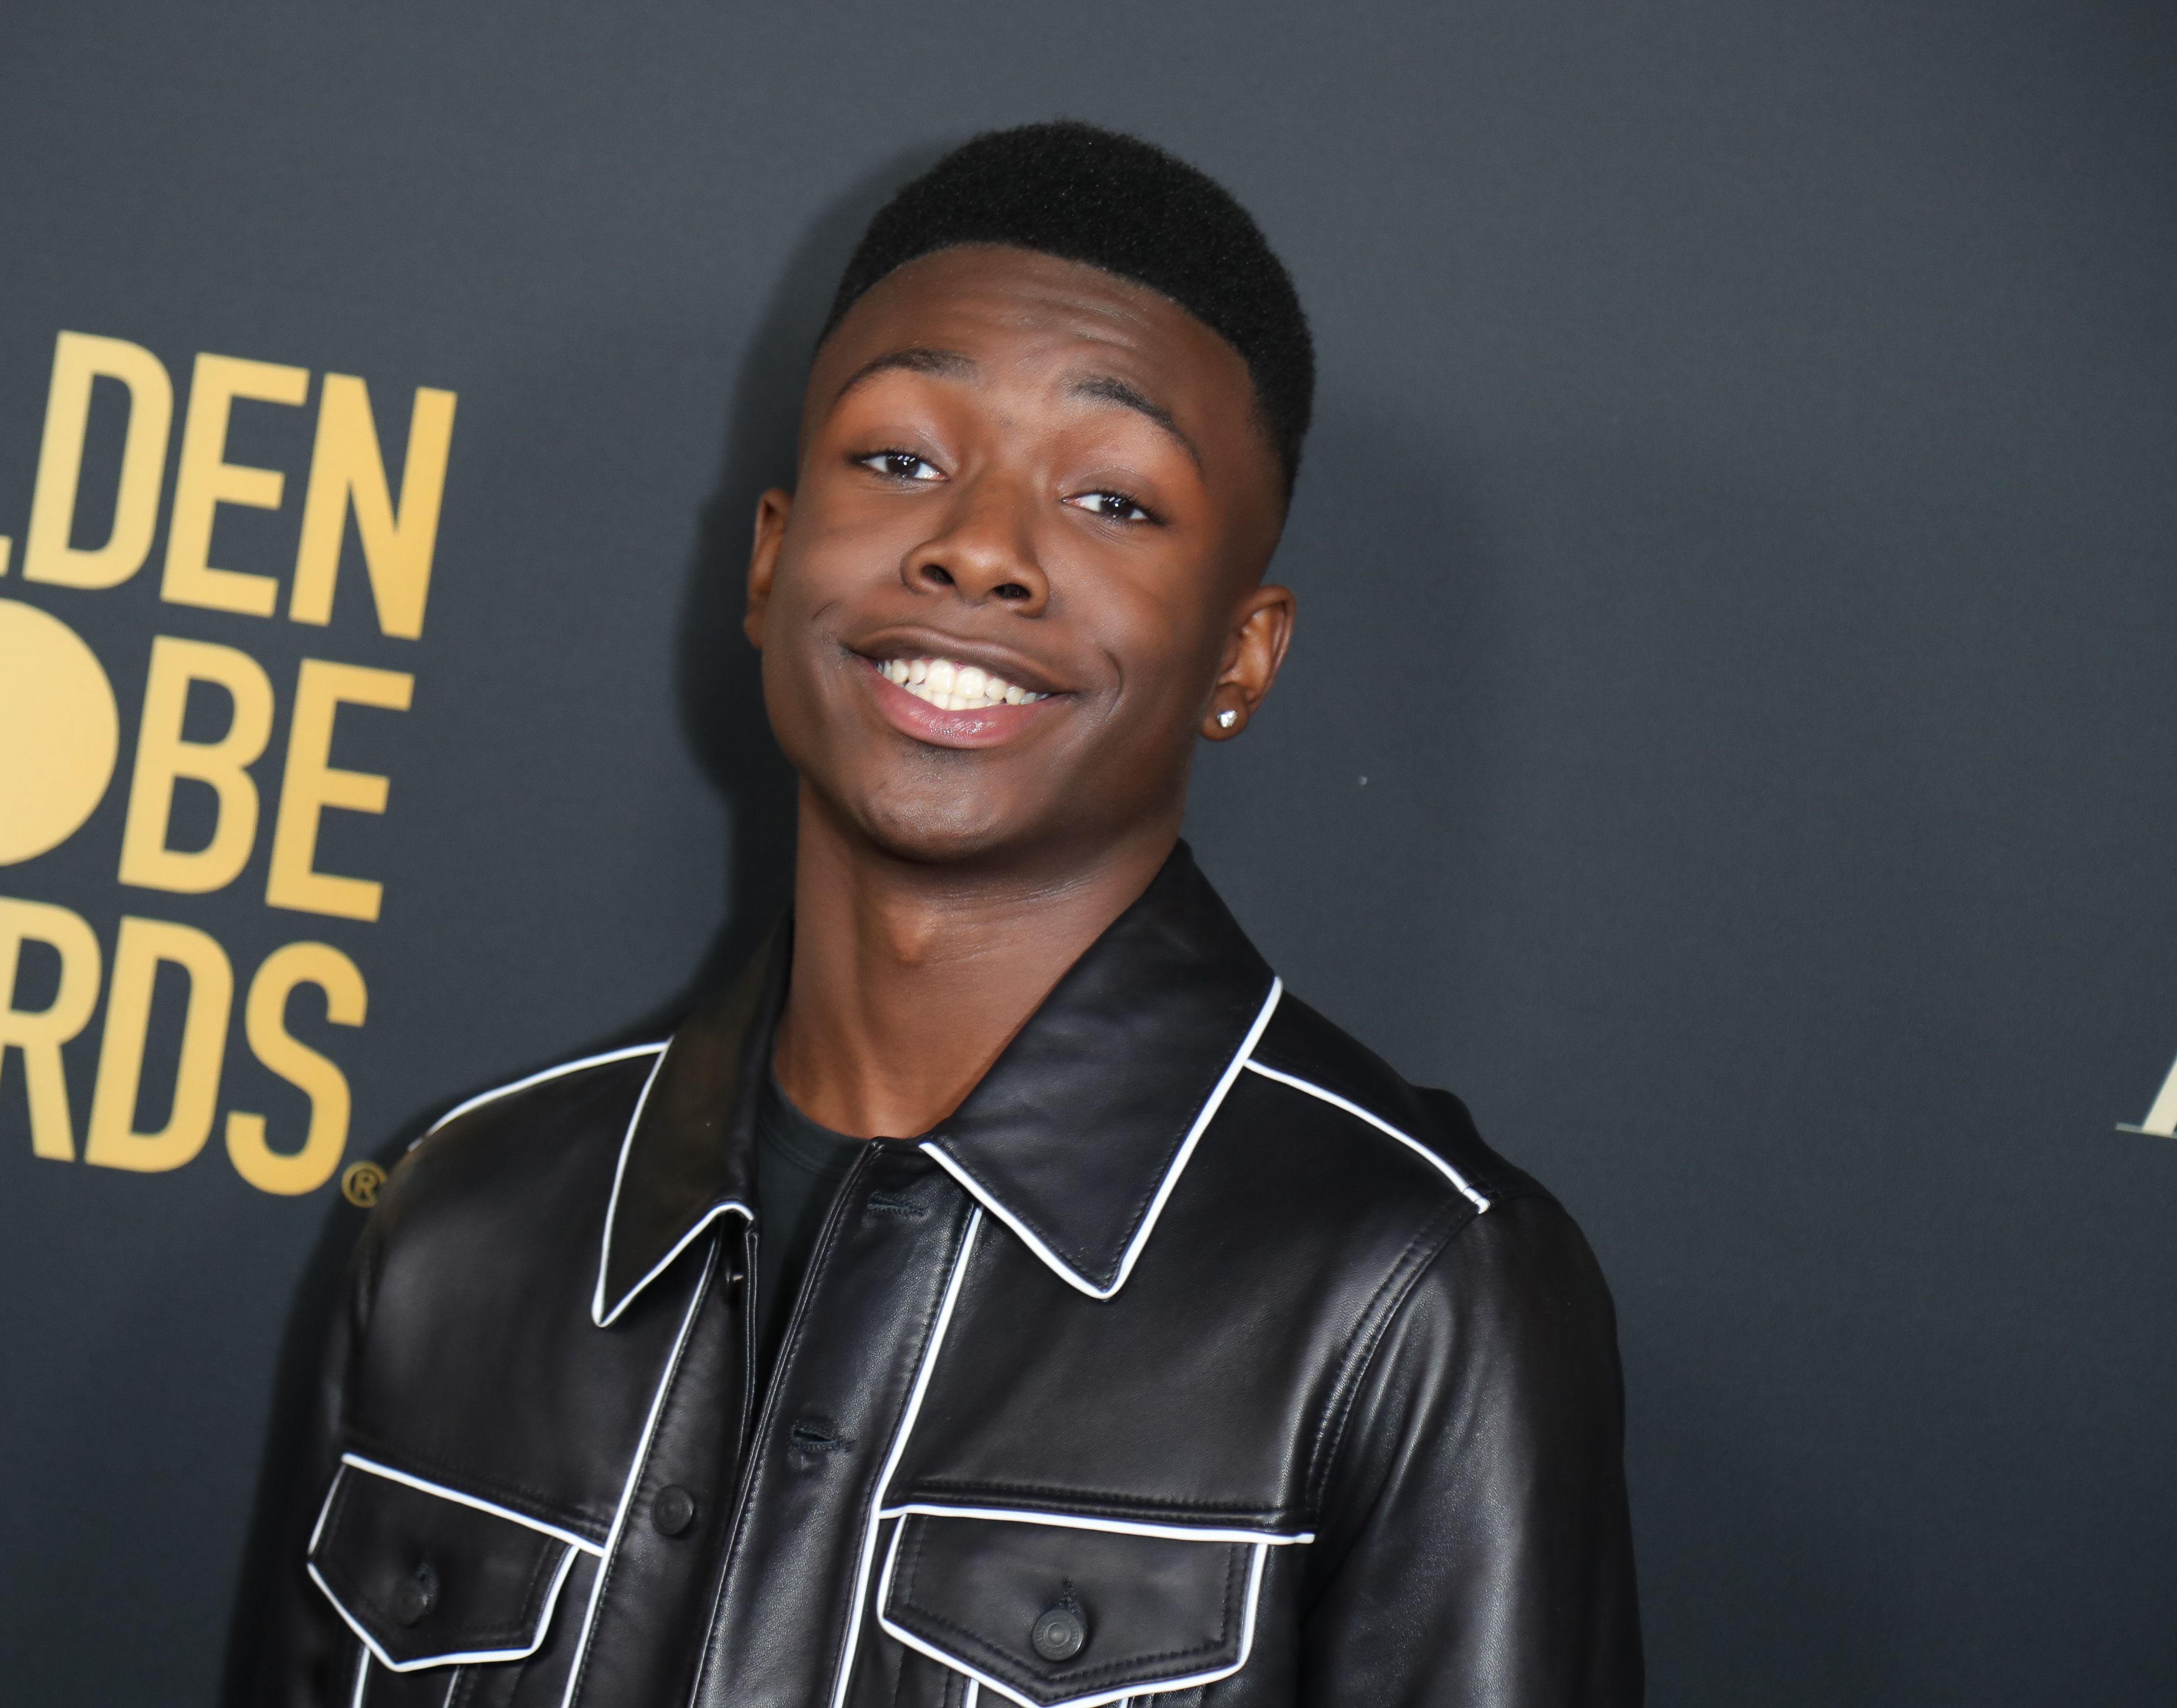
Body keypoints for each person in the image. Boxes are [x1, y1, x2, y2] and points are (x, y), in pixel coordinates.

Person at [257, 121, 1642, 1708]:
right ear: (772, 563)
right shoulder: (463, 1227)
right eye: (901, 458)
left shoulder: (1410, 1298)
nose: (979, 548)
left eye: (1116, 501)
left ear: (1243, 658)